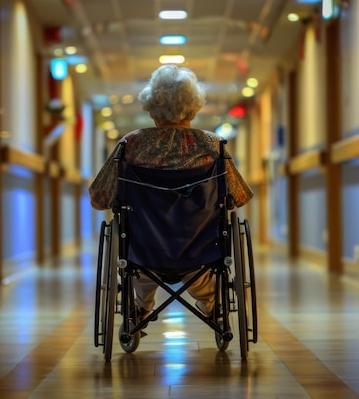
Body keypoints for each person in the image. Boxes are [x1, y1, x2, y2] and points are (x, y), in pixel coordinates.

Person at [89, 64, 253, 319]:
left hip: (145, 246)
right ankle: (211, 304)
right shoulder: (212, 145)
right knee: (200, 256)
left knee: (138, 251)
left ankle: (142, 307)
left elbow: (100, 197)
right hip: (201, 245)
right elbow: (239, 196)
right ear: (194, 108)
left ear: (152, 108)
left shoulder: (131, 144)